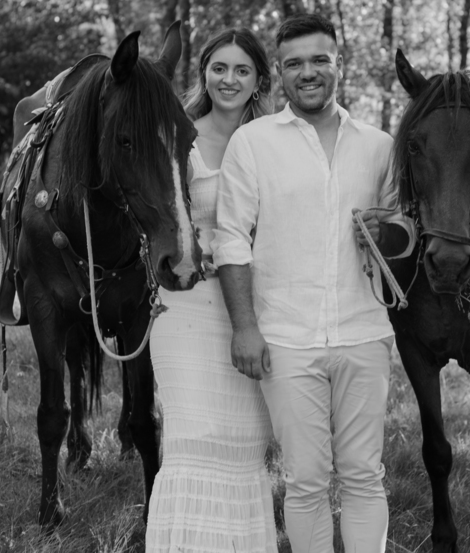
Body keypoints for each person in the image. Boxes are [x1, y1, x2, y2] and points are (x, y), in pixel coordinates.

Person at [212, 13, 413, 553]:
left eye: (320, 60)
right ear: (279, 72)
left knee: (365, 475)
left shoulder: (379, 145)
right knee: (305, 481)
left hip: (364, 331)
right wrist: (245, 328)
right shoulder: (252, 143)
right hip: (286, 337)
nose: (308, 72)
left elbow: (404, 231)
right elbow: (231, 240)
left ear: (339, 64)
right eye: (294, 63)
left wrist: (390, 231)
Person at [144, 28, 279, 553]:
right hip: (188, 307)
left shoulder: (273, 141)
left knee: (244, 445)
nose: (229, 79)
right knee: (192, 438)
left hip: (253, 308)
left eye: (242, 70)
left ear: (259, 79)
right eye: (219, 68)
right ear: (204, 74)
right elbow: (154, 219)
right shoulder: (178, 139)